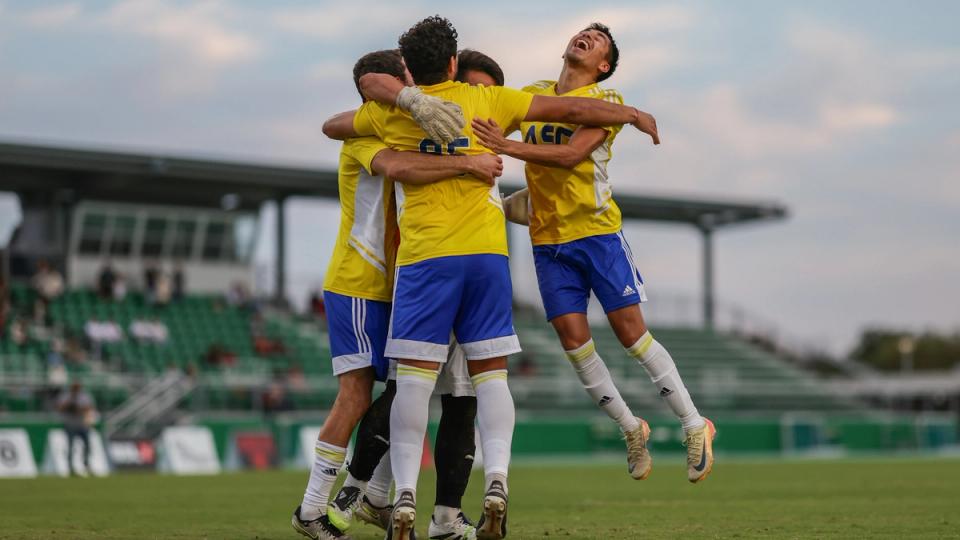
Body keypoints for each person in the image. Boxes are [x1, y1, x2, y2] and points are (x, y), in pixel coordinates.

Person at [323, 15, 660, 540]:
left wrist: (408, 103)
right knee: (489, 380)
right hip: (485, 256)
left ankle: (404, 496)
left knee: (410, 384)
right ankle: (496, 483)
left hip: (424, 259)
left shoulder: (390, 114)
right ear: (455, 63)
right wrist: (631, 113)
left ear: (409, 67)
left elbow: (337, 123)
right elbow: (572, 108)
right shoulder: (490, 102)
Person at [471, 23, 715, 484]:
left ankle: (694, 424)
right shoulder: (533, 95)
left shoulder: (611, 104)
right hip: (547, 242)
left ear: (603, 65)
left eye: (597, 40)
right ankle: (631, 428)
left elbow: (569, 156)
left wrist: (504, 145)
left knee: (631, 334)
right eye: (583, 33)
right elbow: (489, 126)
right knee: (574, 345)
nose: (585, 38)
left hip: (598, 234)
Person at [291, 48, 504, 540]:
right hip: (359, 283)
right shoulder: (366, 135)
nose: (415, 85)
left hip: (398, 284)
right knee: (356, 394)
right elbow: (398, 166)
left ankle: (377, 498)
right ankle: (312, 509)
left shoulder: (395, 126)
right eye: (405, 78)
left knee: (408, 390)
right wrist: (466, 163)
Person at [56, 381, 96, 476]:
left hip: (82, 424)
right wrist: (70, 402)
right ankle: (70, 468)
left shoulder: (85, 396)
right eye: (75, 387)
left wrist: (80, 409)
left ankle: (86, 464)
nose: (76, 389)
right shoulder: (65, 396)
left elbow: (90, 408)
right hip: (70, 424)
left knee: (87, 445)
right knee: (71, 446)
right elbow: (60, 408)